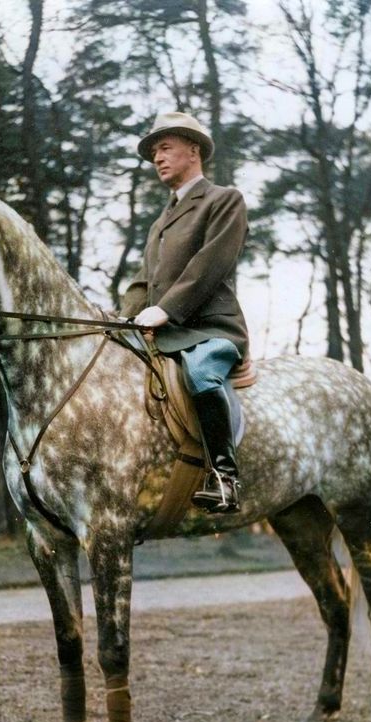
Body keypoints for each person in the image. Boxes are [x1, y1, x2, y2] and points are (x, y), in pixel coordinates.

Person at [122, 111, 249, 513]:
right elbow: (145, 279)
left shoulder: (223, 200)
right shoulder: (161, 220)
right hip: (164, 329)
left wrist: (165, 310)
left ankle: (225, 477)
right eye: (154, 152)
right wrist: (124, 318)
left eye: (164, 148)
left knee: (200, 372)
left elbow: (208, 267)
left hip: (211, 330)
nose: (157, 158)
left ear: (193, 151)